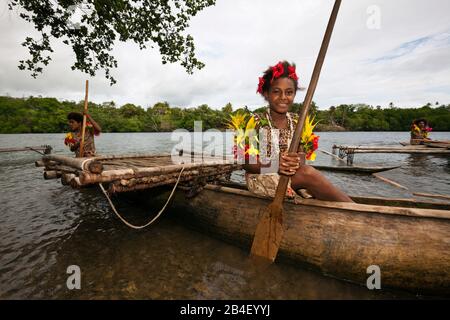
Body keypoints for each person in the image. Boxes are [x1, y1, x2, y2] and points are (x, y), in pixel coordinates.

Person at [242, 61, 352, 202]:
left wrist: (294, 162)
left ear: (294, 94)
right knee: (308, 173)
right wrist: (275, 165)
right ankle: (359, 210)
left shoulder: (297, 122)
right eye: (276, 91)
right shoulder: (254, 121)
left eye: (289, 92)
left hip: (291, 177)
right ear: (266, 94)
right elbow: (245, 162)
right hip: (261, 178)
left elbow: (302, 158)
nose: (283, 97)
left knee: (307, 173)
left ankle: (350, 208)